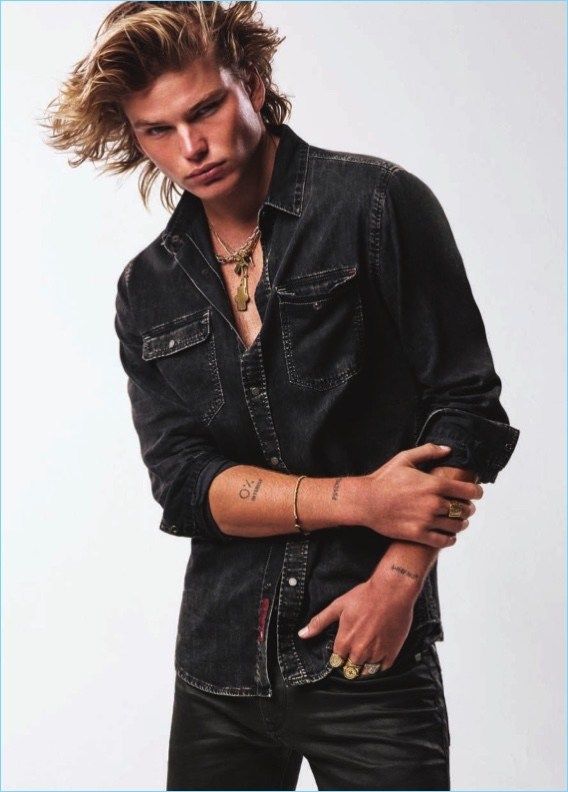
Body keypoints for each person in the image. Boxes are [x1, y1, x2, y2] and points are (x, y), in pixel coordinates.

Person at [42, 2, 520, 789]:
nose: (191, 147)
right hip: (220, 667)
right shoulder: (148, 289)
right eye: (159, 130)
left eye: (205, 109)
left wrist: (399, 582)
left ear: (253, 86)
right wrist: (361, 499)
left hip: (369, 654)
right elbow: (185, 485)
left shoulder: (375, 205)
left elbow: (467, 410)